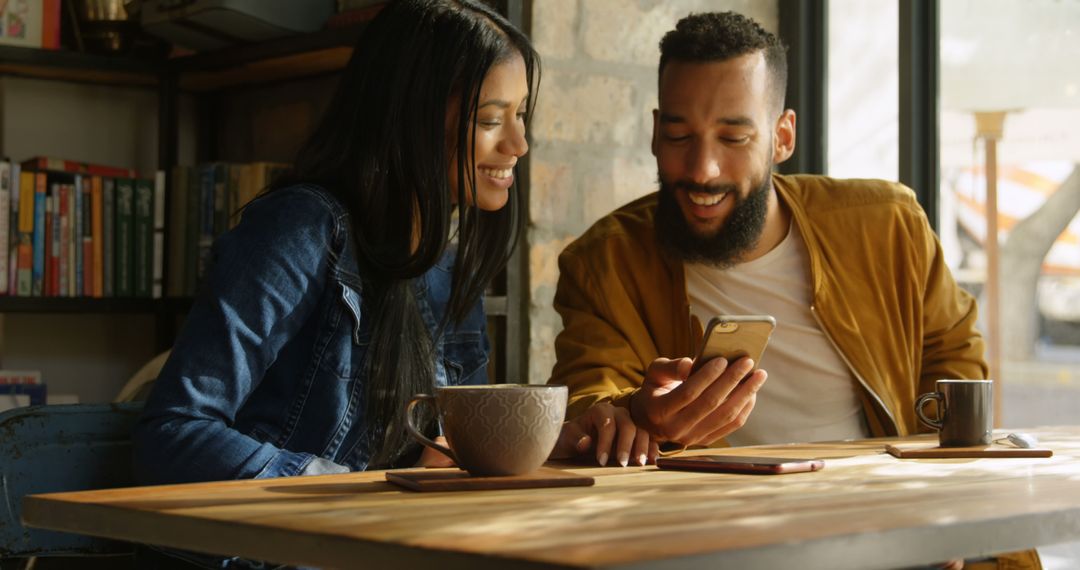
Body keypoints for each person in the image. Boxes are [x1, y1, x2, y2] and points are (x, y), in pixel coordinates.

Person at [133, 1, 653, 566]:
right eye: (489, 120)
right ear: (411, 116)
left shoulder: (450, 269)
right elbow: (173, 435)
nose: (518, 146)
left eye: (521, 114)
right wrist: (355, 492)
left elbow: (445, 456)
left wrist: (575, 437)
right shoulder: (301, 231)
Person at [547, 11, 1037, 570]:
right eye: (680, 135)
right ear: (656, 132)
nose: (702, 168)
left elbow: (955, 368)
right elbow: (588, 394)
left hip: (895, 527)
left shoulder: (886, 224)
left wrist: (932, 510)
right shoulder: (605, 261)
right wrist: (637, 414)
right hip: (725, 544)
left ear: (782, 136)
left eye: (734, 136)